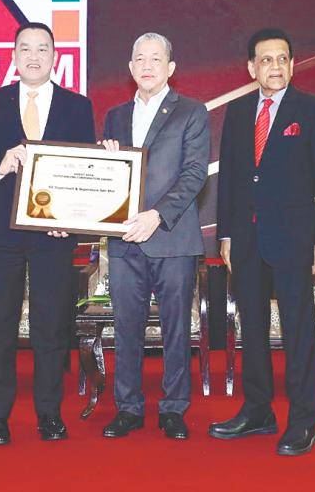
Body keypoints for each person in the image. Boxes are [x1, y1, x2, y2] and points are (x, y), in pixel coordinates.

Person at [0, 21, 95, 446]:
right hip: (1, 235)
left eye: (42, 48)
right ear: (13, 56)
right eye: (25, 48)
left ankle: (49, 415)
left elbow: (85, 170)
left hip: (55, 236)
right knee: (0, 327)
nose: (33, 56)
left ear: (55, 57)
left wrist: (69, 218)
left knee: (51, 328)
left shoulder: (77, 106)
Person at [209, 28, 315, 456]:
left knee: (298, 332)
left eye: (282, 58)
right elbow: (228, 178)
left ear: (292, 63)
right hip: (245, 241)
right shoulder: (238, 110)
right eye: (266, 60)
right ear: (252, 68)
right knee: (253, 329)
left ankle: (303, 421)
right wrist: (225, 234)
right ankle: (258, 411)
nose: (276, 66)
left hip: (295, 242)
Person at [99, 32, 210, 440]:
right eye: (139, 59)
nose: (147, 65)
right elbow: (109, 180)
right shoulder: (113, 115)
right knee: (125, 326)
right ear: (130, 68)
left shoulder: (192, 112)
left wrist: (157, 215)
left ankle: (174, 408)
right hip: (123, 238)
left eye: (155, 58)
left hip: (172, 237)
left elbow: (195, 173)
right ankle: (127, 408)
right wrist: (104, 165)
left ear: (171, 68)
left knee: (176, 328)